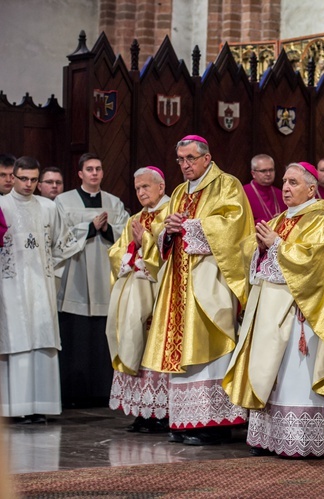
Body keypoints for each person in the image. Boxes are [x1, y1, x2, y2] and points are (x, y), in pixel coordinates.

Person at [224, 161, 324, 458]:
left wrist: (276, 245)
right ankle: (270, 438)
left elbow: (314, 265)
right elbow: (256, 260)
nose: (286, 188)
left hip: (300, 313)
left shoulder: (320, 221)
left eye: (293, 182)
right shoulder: (279, 219)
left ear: (311, 188)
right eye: (285, 183)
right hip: (269, 312)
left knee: (295, 375)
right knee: (270, 373)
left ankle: (300, 440)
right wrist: (260, 248)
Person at [141, 135, 253, 446]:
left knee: (209, 346)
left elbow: (234, 226)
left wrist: (190, 226)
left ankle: (214, 423)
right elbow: (161, 230)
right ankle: (185, 420)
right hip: (179, 282)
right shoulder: (178, 191)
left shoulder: (226, 185)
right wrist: (168, 228)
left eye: (190, 158)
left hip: (210, 281)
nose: (185, 165)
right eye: (180, 159)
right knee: (182, 352)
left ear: (207, 157)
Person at [0, 156, 77, 423]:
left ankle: (42, 405)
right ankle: (16, 408)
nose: (29, 184)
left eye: (34, 179)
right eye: (24, 178)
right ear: (13, 177)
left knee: (42, 340)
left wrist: (50, 272)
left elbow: (63, 243)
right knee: (17, 341)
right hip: (10, 287)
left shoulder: (47, 207)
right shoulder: (2, 206)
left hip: (41, 287)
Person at [55, 152, 129, 407]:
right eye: (89, 169)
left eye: (98, 168)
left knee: (102, 336)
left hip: (104, 277)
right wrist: (89, 228)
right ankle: (73, 392)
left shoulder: (114, 202)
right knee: (76, 334)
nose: (94, 173)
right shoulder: (63, 202)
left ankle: (102, 391)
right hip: (76, 275)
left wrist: (107, 228)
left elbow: (126, 234)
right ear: (80, 174)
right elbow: (59, 236)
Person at [106, 166, 171, 434]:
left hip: (159, 292)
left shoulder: (170, 213)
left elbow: (169, 252)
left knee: (155, 347)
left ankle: (162, 412)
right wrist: (131, 249)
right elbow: (116, 252)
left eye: (146, 186)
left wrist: (144, 241)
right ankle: (142, 412)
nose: (141, 192)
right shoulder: (135, 217)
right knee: (133, 342)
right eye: (137, 188)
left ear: (161, 186)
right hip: (134, 293)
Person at [243, 154, 284, 223]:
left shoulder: (280, 193)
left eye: (271, 170)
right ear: (253, 173)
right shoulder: (243, 192)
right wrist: (270, 221)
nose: (268, 174)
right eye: (263, 171)